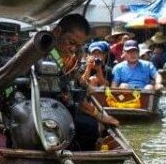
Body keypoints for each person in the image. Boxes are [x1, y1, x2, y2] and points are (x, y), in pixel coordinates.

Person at [47, 14, 118, 151]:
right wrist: (100, 115)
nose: (73, 49)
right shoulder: (47, 54)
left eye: (78, 46)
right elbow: (71, 94)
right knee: (90, 126)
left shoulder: (66, 57)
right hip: (47, 110)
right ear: (58, 32)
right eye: (71, 42)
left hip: (58, 107)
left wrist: (85, 85)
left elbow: (74, 77)